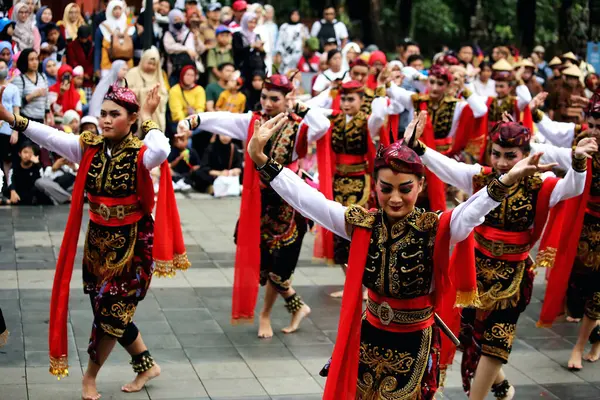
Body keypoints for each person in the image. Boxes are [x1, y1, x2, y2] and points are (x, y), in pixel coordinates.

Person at [246, 110, 551, 399]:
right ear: (375, 185)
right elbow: (310, 200)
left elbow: (471, 211)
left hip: (414, 341)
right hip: (369, 335)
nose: (394, 198)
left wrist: (507, 180)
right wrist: (262, 160)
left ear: (420, 185)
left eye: (404, 188)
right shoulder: (362, 224)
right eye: (385, 188)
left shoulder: (436, 228)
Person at [0, 81, 189, 399]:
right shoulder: (90, 148)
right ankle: (145, 364)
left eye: (114, 114)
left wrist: (150, 117)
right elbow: (53, 138)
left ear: (131, 119)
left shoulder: (140, 154)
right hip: (99, 245)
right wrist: (11, 118)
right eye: (102, 113)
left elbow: (162, 149)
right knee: (109, 311)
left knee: (111, 313)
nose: (104, 119)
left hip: (132, 245)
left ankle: (90, 377)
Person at [408, 116, 593, 400]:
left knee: (496, 341)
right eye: (496, 154)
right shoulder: (481, 177)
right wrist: (418, 147)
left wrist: (578, 163)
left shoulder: (539, 184)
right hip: (474, 271)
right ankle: (501, 385)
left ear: (525, 155)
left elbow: (573, 188)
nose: (503, 162)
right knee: (470, 337)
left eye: (511, 156)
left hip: (513, 277)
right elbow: (449, 168)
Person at [178, 74, 330, 338]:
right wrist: (195, 120)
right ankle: (298, 306)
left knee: (278, 267)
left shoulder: (297, 128)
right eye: (264, 97)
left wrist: (300, 106)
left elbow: (323, 124)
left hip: (288, 205)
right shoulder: (253, 122)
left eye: (275, 98)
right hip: (260, 203)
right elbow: (225, 120)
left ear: (286, 100)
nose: (268, 103)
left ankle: (266, 315)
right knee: (261, 261)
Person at [529, 92, 600, 370]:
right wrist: (527, 130)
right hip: (581, 224)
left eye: (598, 126)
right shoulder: (582, 143)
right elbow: (555, 140)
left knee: (596, 290)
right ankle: (595, 336)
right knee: (575, 286)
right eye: (591, 124)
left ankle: (580, 346)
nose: (593, 131)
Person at [313, 78, 396, 293]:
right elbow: (311, 110)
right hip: (339, 181)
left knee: (359, 231)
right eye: (344, 99)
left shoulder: (366, 121)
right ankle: (351, 284)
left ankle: (366, 285)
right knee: (339, 234)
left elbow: (379, 115)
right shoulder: (335, 120)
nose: (346, 103)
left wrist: (379, 92)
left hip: (361, 182)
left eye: (351, 99)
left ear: (361, 100)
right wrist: (328, 92)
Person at [13, 49, 52, 159]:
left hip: (40, 119)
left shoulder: (43, 77)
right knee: (26, 152)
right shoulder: (20, 79)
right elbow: (16, 104)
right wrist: (33, 95)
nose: (35, 62)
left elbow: (46, 99)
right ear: (25, 61)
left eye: (36, 59)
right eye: (31, 59)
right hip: (26, 119)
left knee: (37, 152)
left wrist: (48, 114)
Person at [126, 47, 169, 133]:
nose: (151, 66)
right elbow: (125, 93)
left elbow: (164, 94)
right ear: (143, 61)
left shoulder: (158, 75)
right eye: (149, 63)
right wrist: (143, 92)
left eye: (154, 65)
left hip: (155, 115)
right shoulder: (132, 73)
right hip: (136, 115)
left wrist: (155, 98)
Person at [163, 8, 205, 85]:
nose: (178, 22)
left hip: (192, 69)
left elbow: (201, 50)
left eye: (180, 19)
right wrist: (186, 50)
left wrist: (196, 40)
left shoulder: (189, 33)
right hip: (176, 71)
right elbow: (169, 48)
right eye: (175, 20)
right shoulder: (168, 34)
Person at [98, 0, 132, 78]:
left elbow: (134, 40)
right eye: (115, 9)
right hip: (107, 62)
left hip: (126, 63)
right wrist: (96, 68)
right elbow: (97, 48)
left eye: (119, 8)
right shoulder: (103, 26)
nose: (117, 11)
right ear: (110, 9)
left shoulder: (128, 24)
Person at [232, 12, 266, 90]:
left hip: (257, 70)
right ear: (244, 21)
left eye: (255, 22)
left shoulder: (257, 36)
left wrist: (261, 50)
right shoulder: (237, 35)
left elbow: (262, 55)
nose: (253, 25)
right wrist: (252, 46)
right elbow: (237, 52)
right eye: (250, 22)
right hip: (244, 69)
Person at [0, 59, 20, 178]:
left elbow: (16, 110)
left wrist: (15, 131)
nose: (1, 70)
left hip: (7, 130)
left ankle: (8, 186)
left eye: (3, 67)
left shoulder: (13, 88)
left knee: (7, 160)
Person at [276, 10, 310, 74]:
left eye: (297, 15)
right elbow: (279, 41)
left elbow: (306, 41)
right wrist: (278, 54)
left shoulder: (302, 27)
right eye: (293, 14)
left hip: (298, 56)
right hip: (285, 56)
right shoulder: (284, 27)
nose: (295, 16)